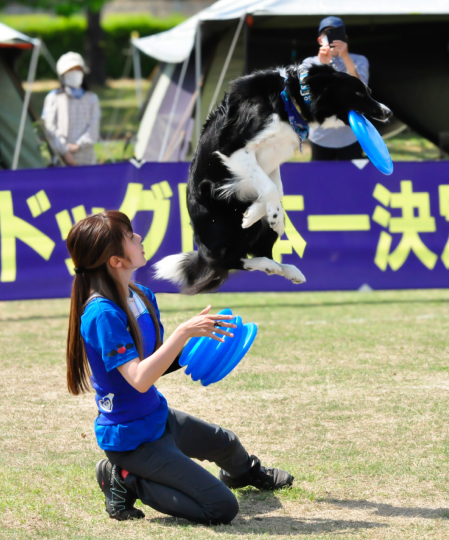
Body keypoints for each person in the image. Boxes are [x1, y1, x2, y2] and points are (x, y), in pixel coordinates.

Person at [65, 211, 293, 524]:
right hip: (132, 439)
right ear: (116, 261)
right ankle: (126, 477)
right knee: (221, 508)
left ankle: (244, 474)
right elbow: (138, 379)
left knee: (225, 442)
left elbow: (155, 361)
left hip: (156, 416)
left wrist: (200, 347)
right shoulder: (101, 314)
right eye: (131, 237)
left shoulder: (141, 296)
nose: (139, 238)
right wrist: (182, 332)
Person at [301, 17, 370, 161]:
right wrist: (322, 67)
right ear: (320, 40)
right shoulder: (309, 63)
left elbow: (361, 92)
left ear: (345, 38)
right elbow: (310, 97)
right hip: (321, 136)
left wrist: (345, 57)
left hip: (352, 135)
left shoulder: (359, 60)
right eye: (327, 34)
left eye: (336, 34)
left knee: (352, 178)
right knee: (322, 179)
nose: (332, 39)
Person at [43, 52, 101, 166]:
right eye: (70, 70)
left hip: (87, 159)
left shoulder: (92, 98)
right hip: (61, 160)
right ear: (63, 74)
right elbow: (50, 128)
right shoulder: (54, 97)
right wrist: (65, 151)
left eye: (77, 69)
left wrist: (79, 145)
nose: (74, 72)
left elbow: (94, 127)